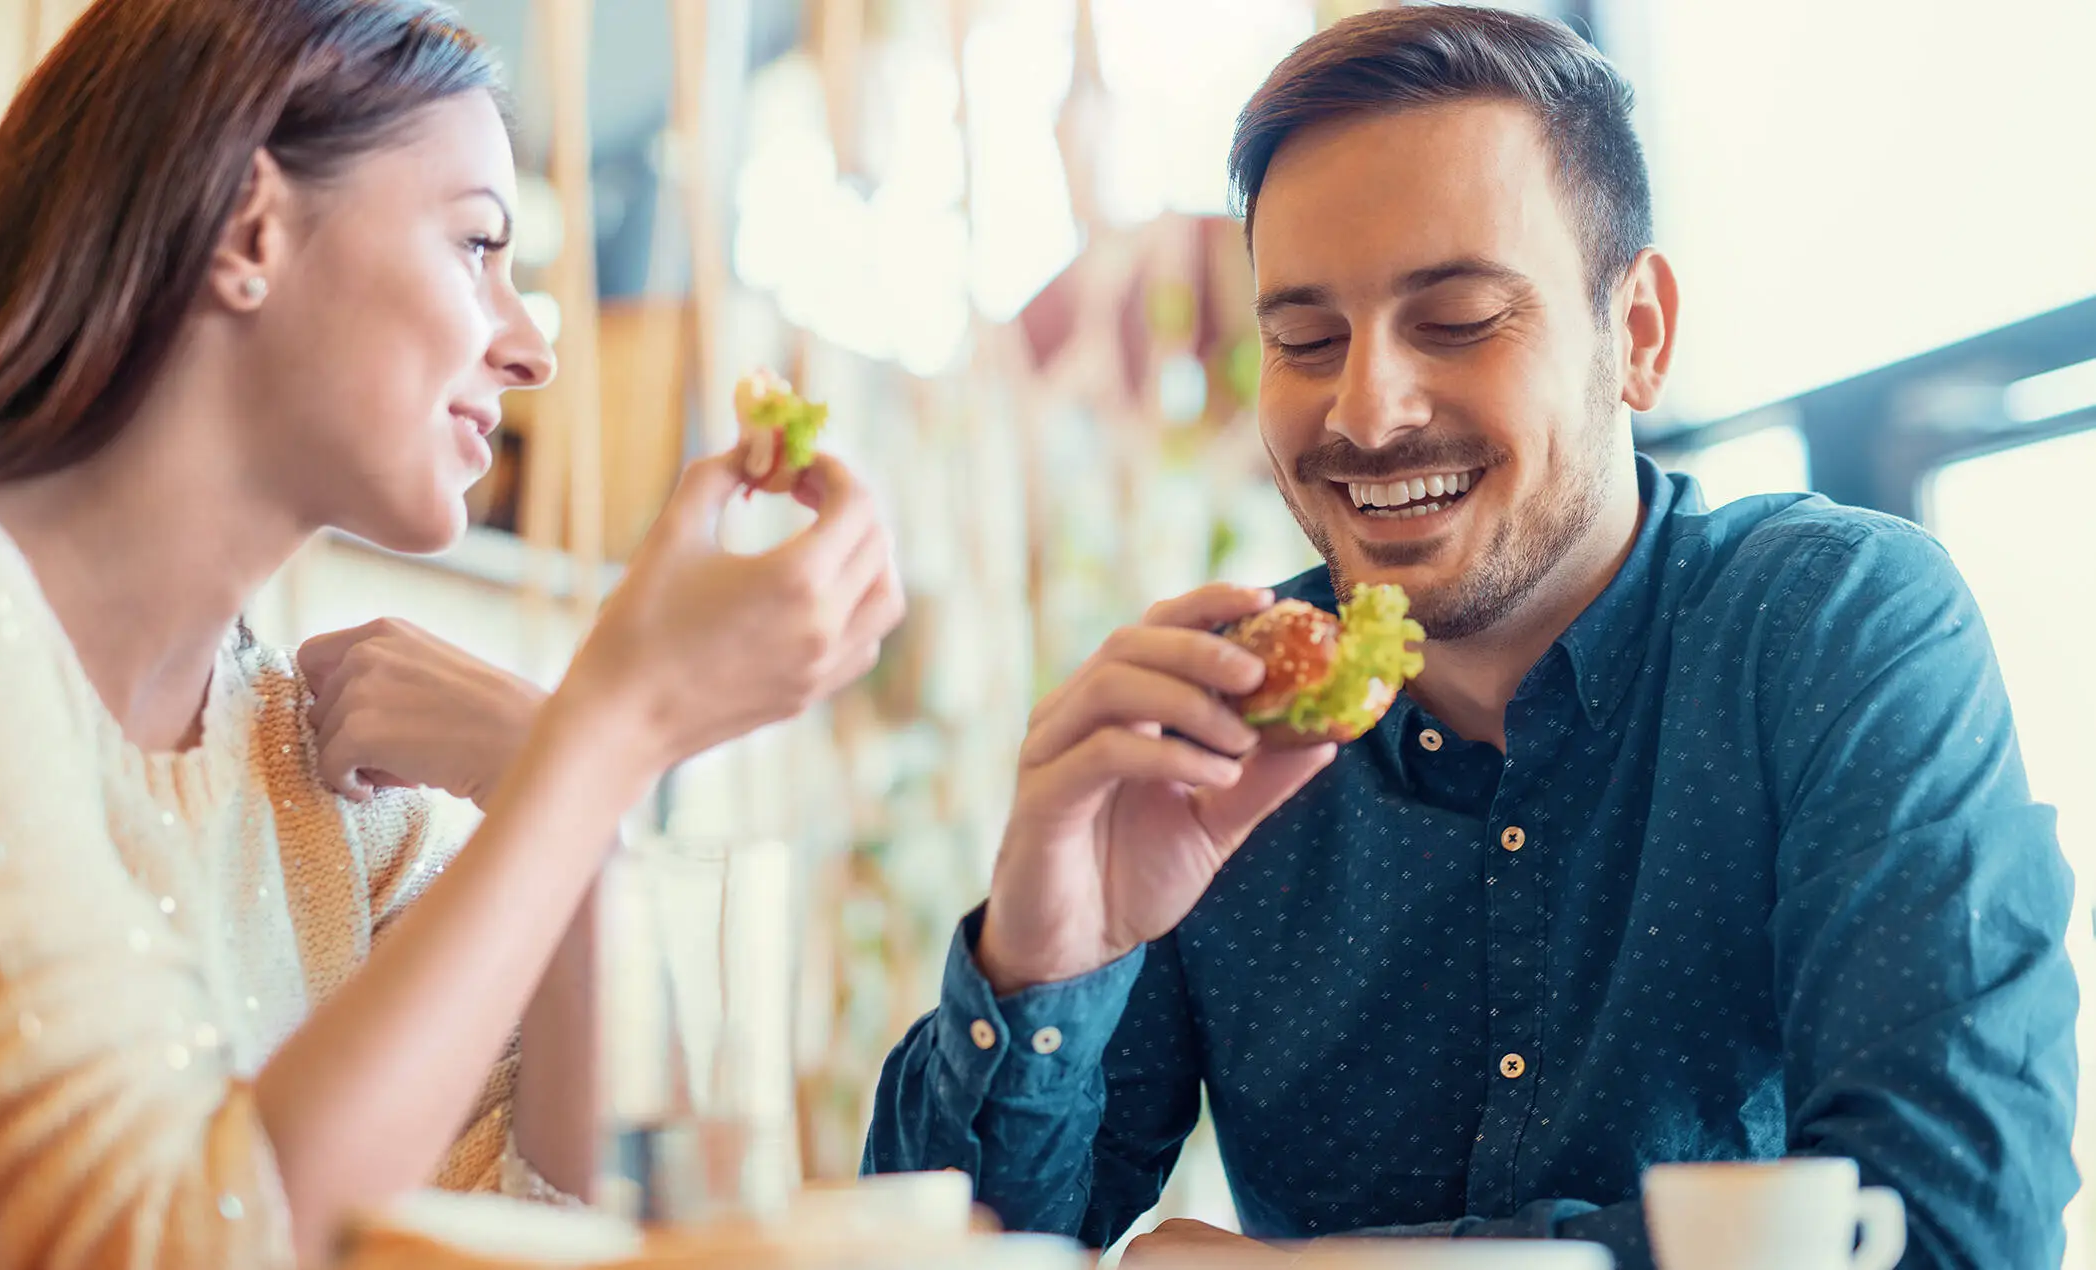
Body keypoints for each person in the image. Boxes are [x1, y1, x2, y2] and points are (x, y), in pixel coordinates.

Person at [862, 8, 2075, 1268]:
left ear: (1638, 336)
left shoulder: (1832, 629)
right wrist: (1043, 957)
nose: (1366, 410)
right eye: (1303, 340)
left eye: (1455, 320)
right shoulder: (1214, 733)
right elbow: (952, 1251)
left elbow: (1952, 1223)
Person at [0, 2, 902, 1267]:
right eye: (477, 245)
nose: (531, 350)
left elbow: (511, 1237)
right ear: (249, 227)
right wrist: (611, 727)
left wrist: (571, 805)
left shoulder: (318, 776)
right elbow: (180, 1240)